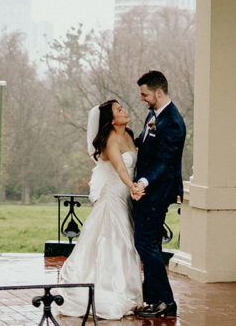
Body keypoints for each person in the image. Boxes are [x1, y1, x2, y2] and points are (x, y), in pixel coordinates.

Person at [56, 99, 144, 320]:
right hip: (113, 197)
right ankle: (111, 291)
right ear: (111, 119)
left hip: (127, 198)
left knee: (127, 243)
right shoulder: (111, 141)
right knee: (116, 242)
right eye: (118, 109)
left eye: (122, 107)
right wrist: (132, 186)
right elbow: (121, 168)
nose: (124, 110)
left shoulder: (130, 136)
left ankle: (129, 292)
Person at [131, 70, 186, 318]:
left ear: (158, 92)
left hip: (157, 192)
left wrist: (143, 181)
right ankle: (152, 297)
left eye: (145, 94)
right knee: (148, 244)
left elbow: (165, 162)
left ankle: (166, 301)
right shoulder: (154, 115)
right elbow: (145, 144)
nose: (143, 98)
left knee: (146, 244)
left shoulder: (173, 122)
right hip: (147, 191)